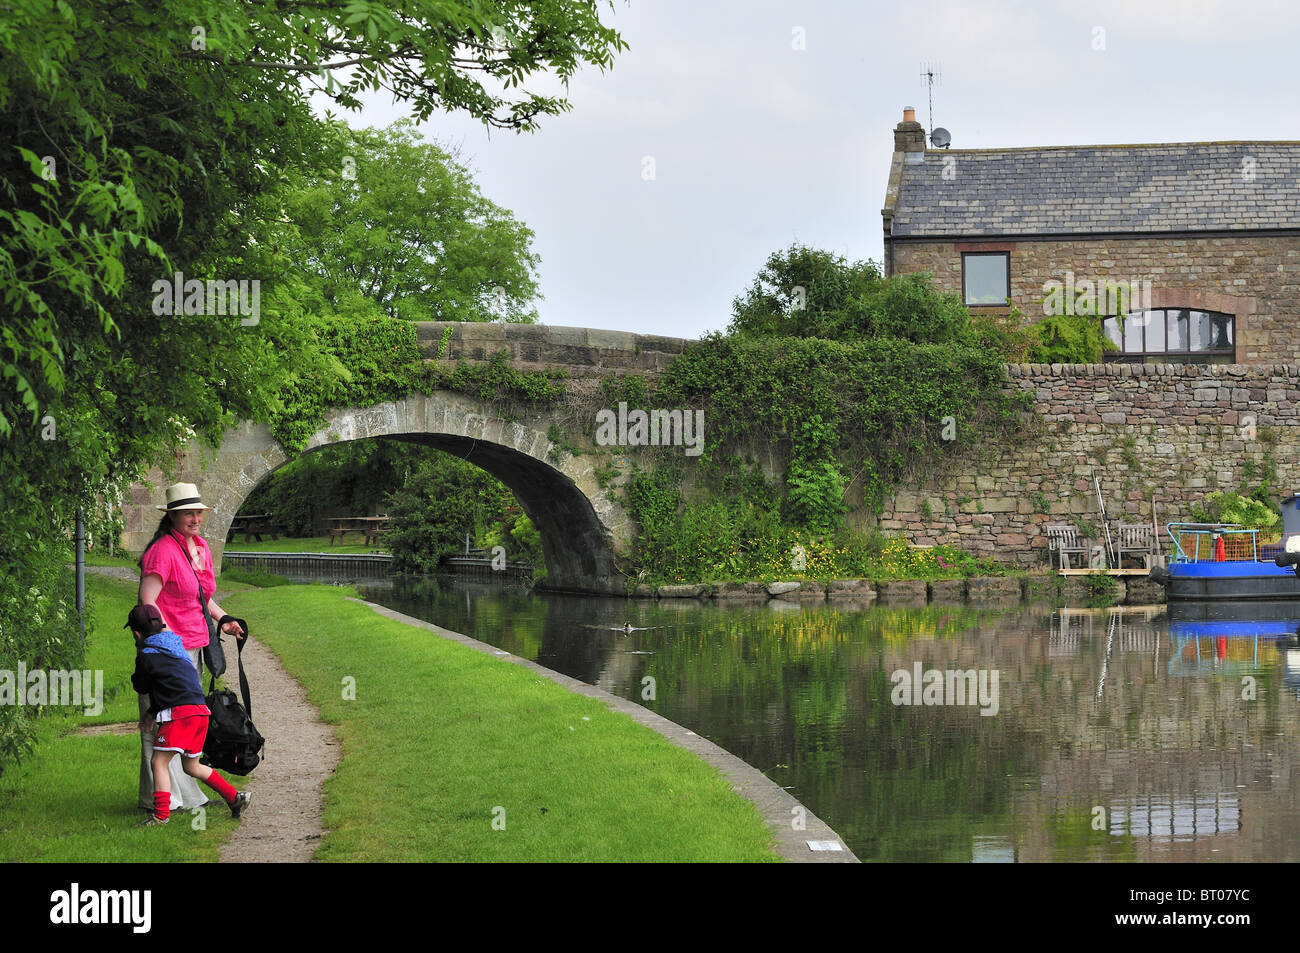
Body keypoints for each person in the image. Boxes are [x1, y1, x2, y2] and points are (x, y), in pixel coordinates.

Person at [136, 482, 246, 815]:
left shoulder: (199, 547)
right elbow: (147, 604)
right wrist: (168, 644)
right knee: (159, 724)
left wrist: (223, 618)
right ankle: (156, 802)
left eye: (198, 512)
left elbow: (201, 597)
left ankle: (186, 796)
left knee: (184, 725)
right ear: (172, 515)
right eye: (188, 512)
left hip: (195, 646)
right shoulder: (162, 551)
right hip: (167, 654)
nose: (195, 518)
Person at [128, 603, 251, 825]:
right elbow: (173, 690)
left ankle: (160, 815)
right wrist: (152, 712)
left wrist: (137, 677)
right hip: (201, 711)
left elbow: (143, 686)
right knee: (191, 766)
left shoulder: (147, 655)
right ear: (163, 625)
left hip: (180, 715)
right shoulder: (177, 647)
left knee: (158, 762)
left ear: (136, 633)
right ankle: (235, 798)